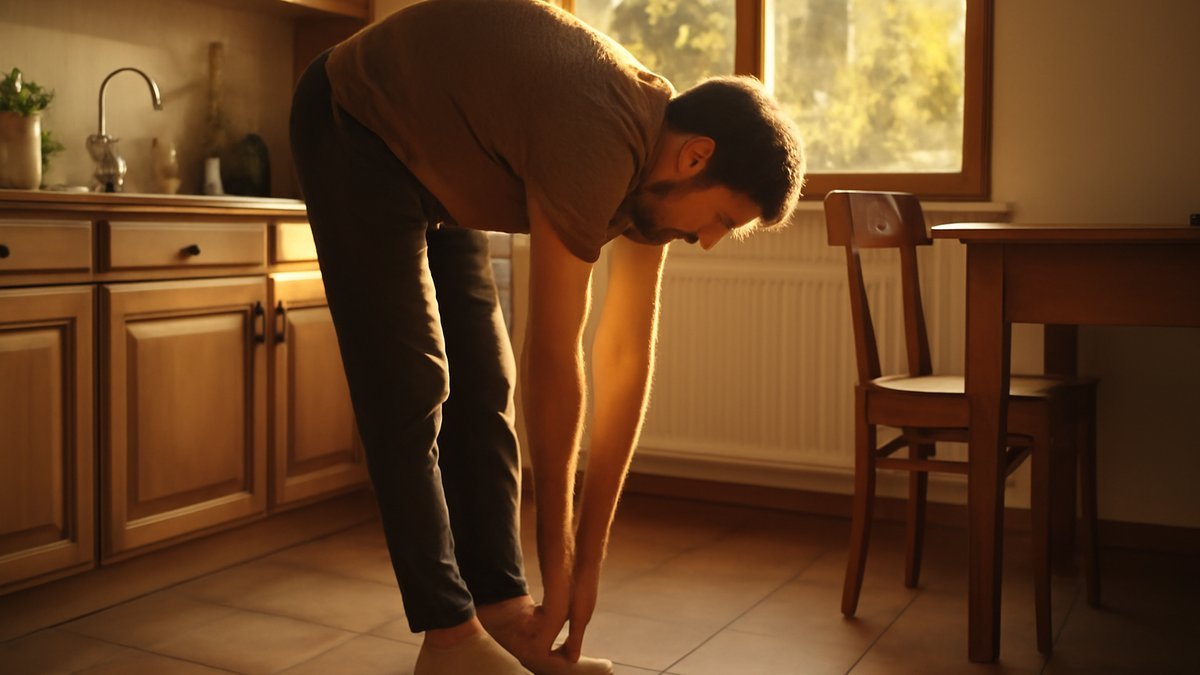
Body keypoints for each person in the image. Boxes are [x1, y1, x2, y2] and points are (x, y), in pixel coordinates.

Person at [289, 0, 805, 673]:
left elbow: (621, 362)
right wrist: (557, 559)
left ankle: (503, 615)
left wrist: (587, 565)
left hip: (439, 158)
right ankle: (448, 640)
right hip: (353, 115)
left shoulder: (654, 182)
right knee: (411, 386)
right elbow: (557, 357)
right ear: (695, 156)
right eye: (721, 220)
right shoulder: (600, 134)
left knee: (486, 384)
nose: (707, 241)